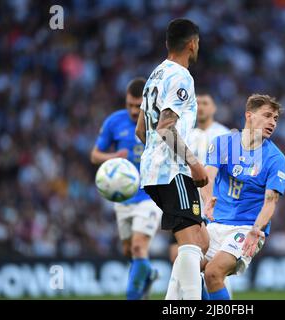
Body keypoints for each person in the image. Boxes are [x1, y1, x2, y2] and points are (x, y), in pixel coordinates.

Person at [135, 18, 209, 300]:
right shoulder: (181, 77)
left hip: (153, 171)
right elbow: (166, 126)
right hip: (172, 170)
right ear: (192, 44)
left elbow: (141, 130)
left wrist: (155, 154)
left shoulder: (154, 76)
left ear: (168, 44)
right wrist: (192, 162)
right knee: (190, 244)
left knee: (201, 240)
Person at [200, 94, 285, 300]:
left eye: (275, 118)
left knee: (213, 273)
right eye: (267, 116)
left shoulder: (275, 158)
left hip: (247, 229)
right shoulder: (223, 143)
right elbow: (208, 177)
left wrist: (257, 229)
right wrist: (208, 200)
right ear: (249, 115)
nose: (272, 122)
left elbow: (270, 201)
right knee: (188, 270)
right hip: (216, 222)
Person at [90, 78, 162, 300]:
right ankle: (148, 274)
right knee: (129, 251)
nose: (132, 110)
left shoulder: (159, 122)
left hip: (151, 195)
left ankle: (132, 296)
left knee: (140, 247)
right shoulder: (114, 121)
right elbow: (94, 155)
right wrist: (113, 156)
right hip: (123, 197)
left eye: (137, 105)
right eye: (129, 104)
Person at [168, 92, 230, 263]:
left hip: (214, 206)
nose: (201, 107)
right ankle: (193, 289)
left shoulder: (223, 135)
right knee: (178, 254)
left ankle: (217, 289)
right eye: (198, 103)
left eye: (205, 103)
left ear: (214, 108)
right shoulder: (184, 134)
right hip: (186, 200)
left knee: (212, 258)